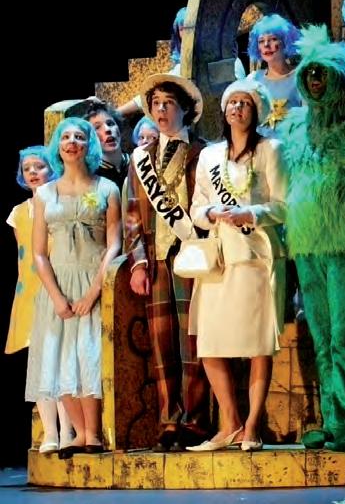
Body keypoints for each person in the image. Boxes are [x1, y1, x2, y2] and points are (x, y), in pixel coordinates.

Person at [279, 25, 345, 452]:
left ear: (339, 77)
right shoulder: (293, 128)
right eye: (309, 73)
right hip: (307, 246)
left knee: (343, 337)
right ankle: (331, 419)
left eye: (322, 73)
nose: (314, 80)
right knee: (321, 339)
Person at [185, 79, 286, 452]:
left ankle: (252, 426)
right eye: (232, 102)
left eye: (245, 102)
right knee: (209, 342)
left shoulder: (271, 150)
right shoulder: (210, 156)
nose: (237, 108)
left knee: (258, 344)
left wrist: (251, 213)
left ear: (256, 111)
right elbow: (196, 207)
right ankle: (229, 423)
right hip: (219, 258)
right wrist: (211, 212)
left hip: (256, 257)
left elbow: (284, 205)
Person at [25, 118, 122, 459]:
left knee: (88, 354)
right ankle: (78, 433)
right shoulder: (45, 194)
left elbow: (114, 243)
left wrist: (94, 291)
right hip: (59, 284)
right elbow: (39, 252)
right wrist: (56, 296)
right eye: (65, 137)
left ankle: (93, 433)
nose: (71, 142)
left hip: (93, 279)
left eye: (79, 137)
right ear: (58, 146)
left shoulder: (106, 188)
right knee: (59, 357)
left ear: (88, 145)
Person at [125, 73, 210, 451]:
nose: (161, 110)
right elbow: (132, 214)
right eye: (156, 104)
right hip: (157, 257)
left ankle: (194, 419)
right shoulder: (141, 158)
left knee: (193, 340)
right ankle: (168, 419)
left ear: (185, 110)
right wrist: (138, 262)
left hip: (192, 254)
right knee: (162, 344)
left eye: (169, 103)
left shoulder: (202, 153)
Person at [8, 146, 72, 454]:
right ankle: (50, 432)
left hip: (58, 288)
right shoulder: (19, 213)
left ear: (52, 169)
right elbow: (24, 258)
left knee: (62, 362)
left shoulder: (61, 205)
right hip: (31, 293)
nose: (33, 172)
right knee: (40, 366)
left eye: (39, 166)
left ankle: (68, 430)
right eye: (27, 168)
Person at [118, 7, 187, 118]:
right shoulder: (179, 63)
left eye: (189, 28)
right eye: (182, 29)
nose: (186, 33)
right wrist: (117, 113)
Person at [246, 14, 301, 138]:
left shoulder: (300, 77)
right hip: (261, 147)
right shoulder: (253, 80)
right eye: (261, 41)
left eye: (273, 39)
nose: (266, 44)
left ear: (285, 42)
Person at [74, 98, 130, 191]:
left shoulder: (137, 161)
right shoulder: (91, 175)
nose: (107, 129)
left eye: (110, 123)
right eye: (97, 127)